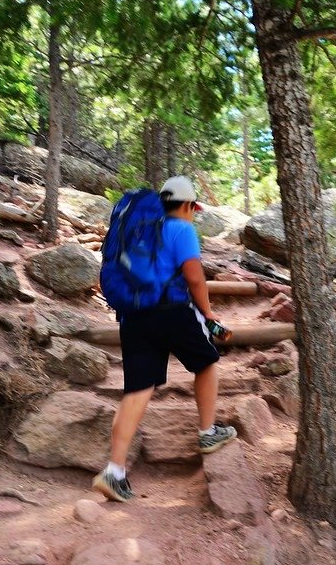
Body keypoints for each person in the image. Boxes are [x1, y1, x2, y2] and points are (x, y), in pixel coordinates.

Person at [92, 175, 237, 502]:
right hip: (173, 310)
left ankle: (114, 472)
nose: (193, 215)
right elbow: (194, 278)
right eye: (193, 209)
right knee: (207, 362)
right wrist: (208, 314)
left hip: (134, 316)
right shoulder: (181, 229)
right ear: (186, 205)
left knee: (137, 390)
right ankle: (208, 432)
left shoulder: (139, 230)